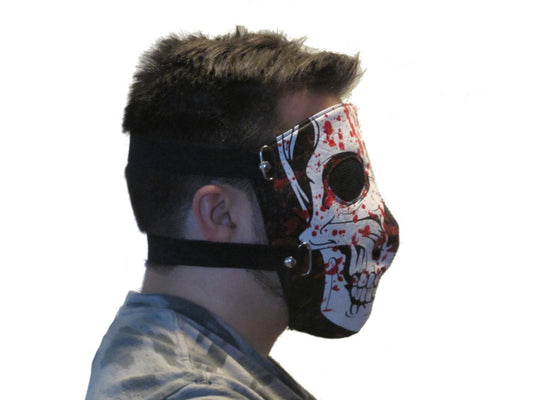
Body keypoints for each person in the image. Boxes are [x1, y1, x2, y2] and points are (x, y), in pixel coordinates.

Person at [86, 26, 400, 400]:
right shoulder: (192, 392)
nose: (381, 230)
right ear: (220, 214)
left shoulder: (180, 352)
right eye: (335, 188)